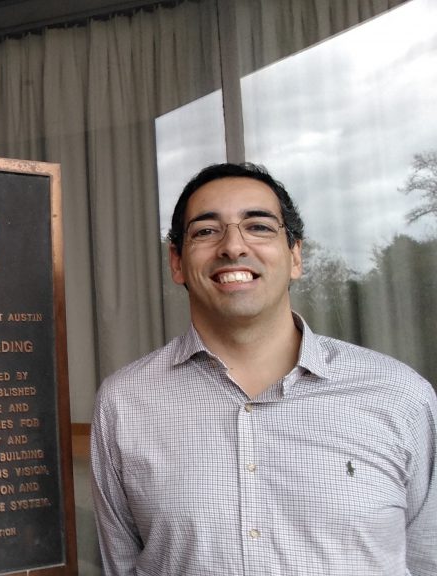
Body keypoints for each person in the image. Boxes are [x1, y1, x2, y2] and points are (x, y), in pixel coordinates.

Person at [90, 162, 436, 575]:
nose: (233, 247)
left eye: (258, 227)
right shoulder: (123, 403)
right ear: (177, 262)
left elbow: (426, 558)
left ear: (294, 255)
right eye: (205, 230)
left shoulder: (400, 395)